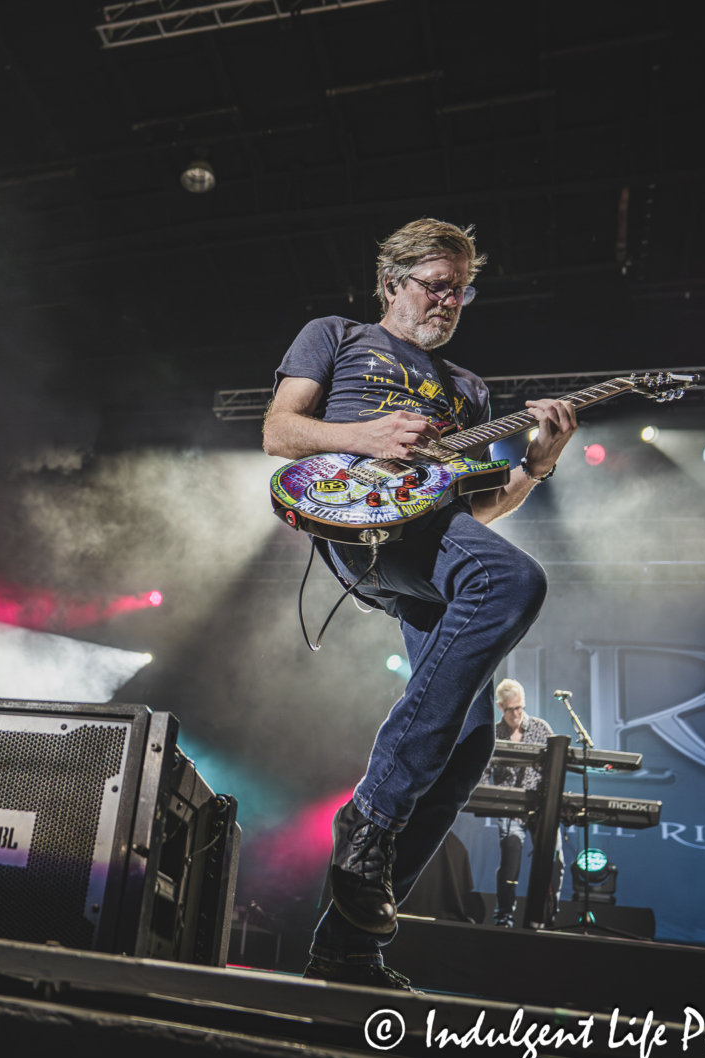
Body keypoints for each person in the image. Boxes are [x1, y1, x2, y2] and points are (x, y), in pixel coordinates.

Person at [262, 218, 578, 989]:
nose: (450, 300)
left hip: (434, 539)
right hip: (356, 515)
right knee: (515, 579)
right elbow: (278, 429)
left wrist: (535, 467)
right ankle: (370, 812)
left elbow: (471, 516)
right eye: (437, 283)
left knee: (470, 743)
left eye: (462, 289)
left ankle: (347, 947)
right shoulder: (335, 335)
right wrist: (367, 433)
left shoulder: (469, 390)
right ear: (393, 281)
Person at [487, 678, 564, 927]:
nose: (517, 714)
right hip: (510, 809)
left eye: (520, 707)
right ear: (500, 707)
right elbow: (482, 769)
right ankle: (504, 917)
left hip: (542, 808)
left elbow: (556, 767)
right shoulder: (494, 733)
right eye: (511, 709)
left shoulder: (541, 729)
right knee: (510, 863)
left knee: (554, 862)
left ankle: (546, 916)